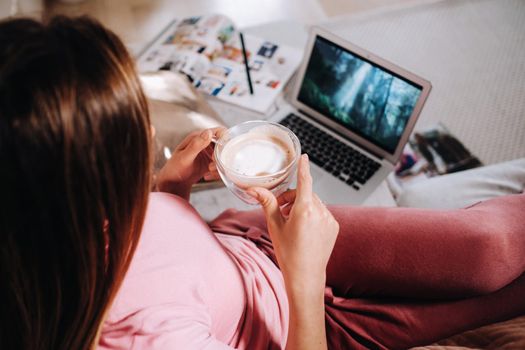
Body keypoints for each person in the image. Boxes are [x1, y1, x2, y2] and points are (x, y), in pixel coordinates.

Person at [1, 15, 524, 350]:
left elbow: (152, 259)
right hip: (310, 324)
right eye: (133, 131)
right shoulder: (147, 337)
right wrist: (303, 275)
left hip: (252, 241)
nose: (150, 130)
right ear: (76, 186)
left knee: (487, 253)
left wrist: (169, 191)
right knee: (504, 294)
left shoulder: (59, 231)